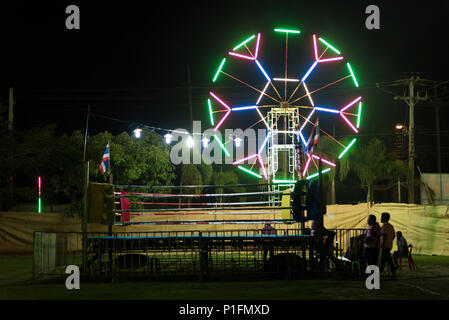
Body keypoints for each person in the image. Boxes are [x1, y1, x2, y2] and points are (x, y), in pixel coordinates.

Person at [380, 212, 397, 279]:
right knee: (387, 260)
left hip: (385, 246)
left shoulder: (384, 226)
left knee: (385, 261)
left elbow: (384, 236)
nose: (380, 218)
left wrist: (382, 244)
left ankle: (379, 273)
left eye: (381, 217)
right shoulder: (391, 226)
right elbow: (393, 236)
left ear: (384, 218)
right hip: (389, 245)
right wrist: (389, 241)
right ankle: (393, 273)